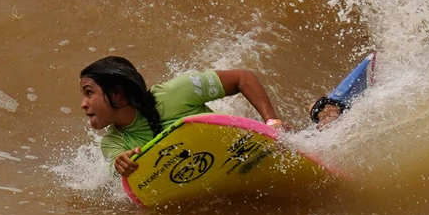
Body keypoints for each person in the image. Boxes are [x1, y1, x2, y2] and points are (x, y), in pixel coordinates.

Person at [79, 56, 284, 177]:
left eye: (89, 93)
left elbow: (242, 77)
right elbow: (118, 166)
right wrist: (121, 164)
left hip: (243, 155)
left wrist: (272, 122)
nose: (83, 104)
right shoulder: (112, 142)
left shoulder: (174, 93)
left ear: (117, 93)